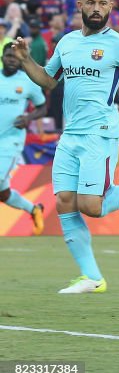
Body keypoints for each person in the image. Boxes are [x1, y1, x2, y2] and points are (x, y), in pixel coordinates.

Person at [12, 0, 119, 294]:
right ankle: (92, 278)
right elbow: (49, 79)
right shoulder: (67, 43)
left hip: (99, 133)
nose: (97, 8)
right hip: (70, 134)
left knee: (91, 206)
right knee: (64, 201)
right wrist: (25, 60)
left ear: (111, 7)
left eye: (103, 3)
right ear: (79, 6)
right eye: (91, 3)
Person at [0, 43, 46, 234]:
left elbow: (43, 107)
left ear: (20, 59)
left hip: (11, 140)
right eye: (8, 55)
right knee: (3, 193)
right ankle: (34, 209)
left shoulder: (27, 82)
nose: (11, 59)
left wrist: (28, 118)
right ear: (2, 57)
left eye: (15, 56)